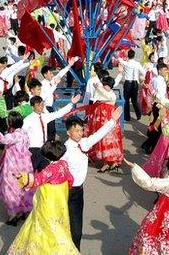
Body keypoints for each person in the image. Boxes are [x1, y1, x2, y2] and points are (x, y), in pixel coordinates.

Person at [61, 106, 120, 249]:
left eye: (81, 130)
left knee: (76, 227)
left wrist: (112, 120)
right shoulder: (64, 149)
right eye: (76, 131)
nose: (80, 133)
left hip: (78, 191)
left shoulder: (84, 143)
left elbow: (100, 134)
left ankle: (74, 250)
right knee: (68, 226)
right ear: (68, 132)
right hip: (66, 191)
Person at [7, 140, 78, 255]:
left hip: (47, 203)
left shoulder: (50, 170)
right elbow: (70, 179)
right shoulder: (63, 164)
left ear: (46, 156)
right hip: (60, 203)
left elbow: (36, 180)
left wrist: (21, 177)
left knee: (43, 227)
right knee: (59, 228)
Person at [0, 111, 35, 225]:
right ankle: (24, 211)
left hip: (13, 167)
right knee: (24, 188)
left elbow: (3, 140)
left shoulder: (14, 135)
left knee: (11, 190)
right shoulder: (24, 133)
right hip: (25, 165)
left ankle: (13, 215)